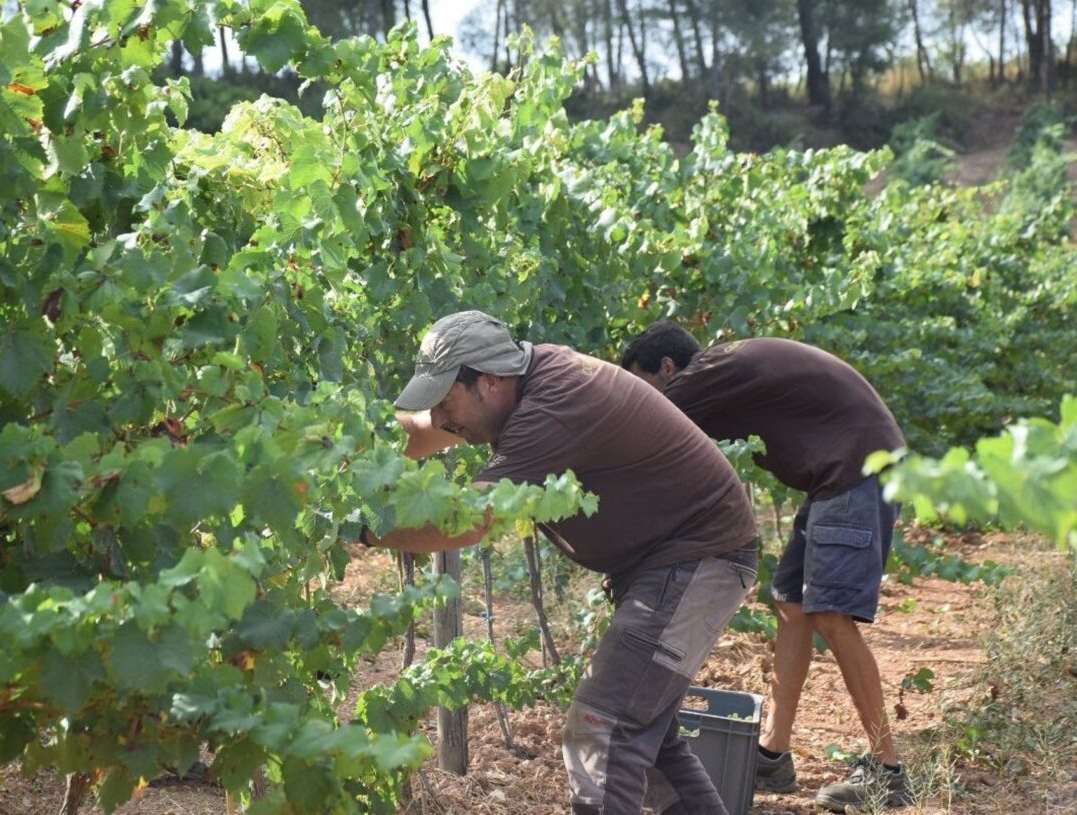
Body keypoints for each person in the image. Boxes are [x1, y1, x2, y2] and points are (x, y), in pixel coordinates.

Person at [367, 310, 760, 815]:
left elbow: (466, 521)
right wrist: (352, 446)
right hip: (675, 563)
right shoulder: (521, 383)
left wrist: (363, 526)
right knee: (648, 743)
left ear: (489, 380)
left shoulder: (551, 404)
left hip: (696, 560)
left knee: (600, 729)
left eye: (446, 402)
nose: (442, 420)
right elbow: (421, 430)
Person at [621, 321, 912, 814]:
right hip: (839, 475)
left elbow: (636, 428)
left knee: (830, 615)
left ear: (668, 368)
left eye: (642, 381)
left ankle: (888, 772)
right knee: (792, 606)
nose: (648, 394)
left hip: (856, 470)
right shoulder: (724, 369)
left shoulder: (701, 375)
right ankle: (773, 755)